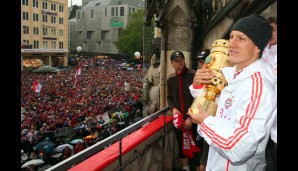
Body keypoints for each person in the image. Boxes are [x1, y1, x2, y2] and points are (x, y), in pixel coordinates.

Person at [187, 14, 276, 171]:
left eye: (241, 38)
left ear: (257, 47)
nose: (231, 44)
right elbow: (221, 110)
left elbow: (239, 148)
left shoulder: (259, 87)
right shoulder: (231, 75)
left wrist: (204, 122)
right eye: (231, 36)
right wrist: (199, 87)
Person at [167, 51, 203, 171]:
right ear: (172, 63)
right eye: (176, 61)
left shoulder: (194, 75)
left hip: (195, 119)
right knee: (182, 146)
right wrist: (174, 109)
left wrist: (191, 118)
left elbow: (200, 98)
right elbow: (169, 97)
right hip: (180, 120)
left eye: (181, 59)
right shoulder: (171, 78)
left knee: (198, 148)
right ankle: (185, 168)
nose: (180, 62)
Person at [262, 16, 277, 171]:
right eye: (268, 30)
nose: (270, 33)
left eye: (273, 30)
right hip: (264, 120)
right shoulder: (261, 51)